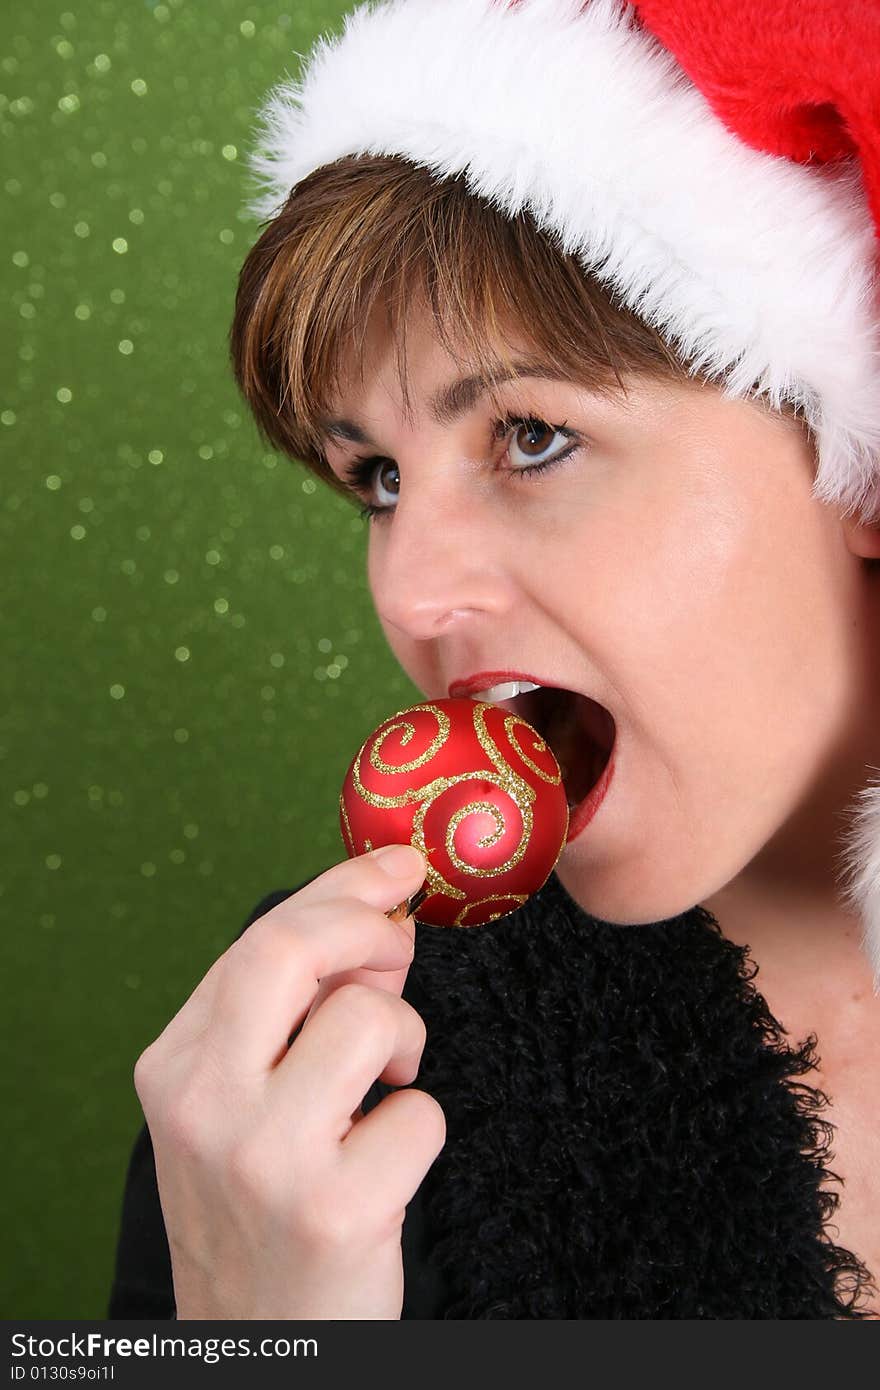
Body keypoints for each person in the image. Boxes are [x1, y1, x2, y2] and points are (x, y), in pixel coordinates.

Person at [108, 0, 880, 1318]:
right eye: (379, 478)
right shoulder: (307, 1098)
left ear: (855, 464)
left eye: (532, 437)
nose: (411, 590)